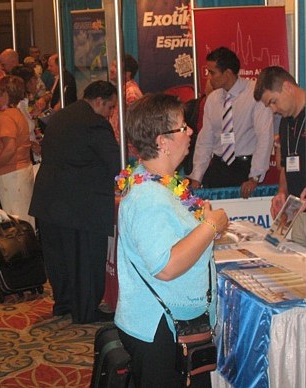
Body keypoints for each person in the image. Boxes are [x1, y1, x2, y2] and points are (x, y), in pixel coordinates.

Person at [116, 93, 228, 387]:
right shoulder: (147, 197)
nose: (190, 131)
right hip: (159, 327)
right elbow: (166, 266)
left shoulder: (160, 182)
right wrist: (209, 226)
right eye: (182, 127)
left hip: (174, 323)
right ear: (161, 141)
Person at [29, 80, 120, 324]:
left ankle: (65, 304)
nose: (111, 113)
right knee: (86, 259)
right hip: (81, 204)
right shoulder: (95, 123)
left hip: (49, 200)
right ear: (99, 102)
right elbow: (115, 164)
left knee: (59, 259)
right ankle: (86, 310)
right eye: (110, 107)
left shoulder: (60, 116)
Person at [189, 47, 274, 198]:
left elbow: (264, 137)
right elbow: (205, 141)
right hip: (218, 168)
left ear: (227, 73)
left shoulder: (255, 93)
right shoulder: (213, 99)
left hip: (245, 168)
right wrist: (197, 176)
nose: (209, 77)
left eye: (212, 72)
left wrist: (254, 177)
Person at [254, 66, 306, 246]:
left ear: (287, 87)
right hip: (299, 215)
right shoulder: (285, 123)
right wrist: (282, 192)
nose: (273, 109)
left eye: (273, 102)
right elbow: (286, 165)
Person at [0, 75, 35, 227]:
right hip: (19, 172)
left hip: (11, 177)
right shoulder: (17, 114)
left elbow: (9, 149)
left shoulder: (6, 117)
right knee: (22, 222)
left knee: (13, 225)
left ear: (5, 94)